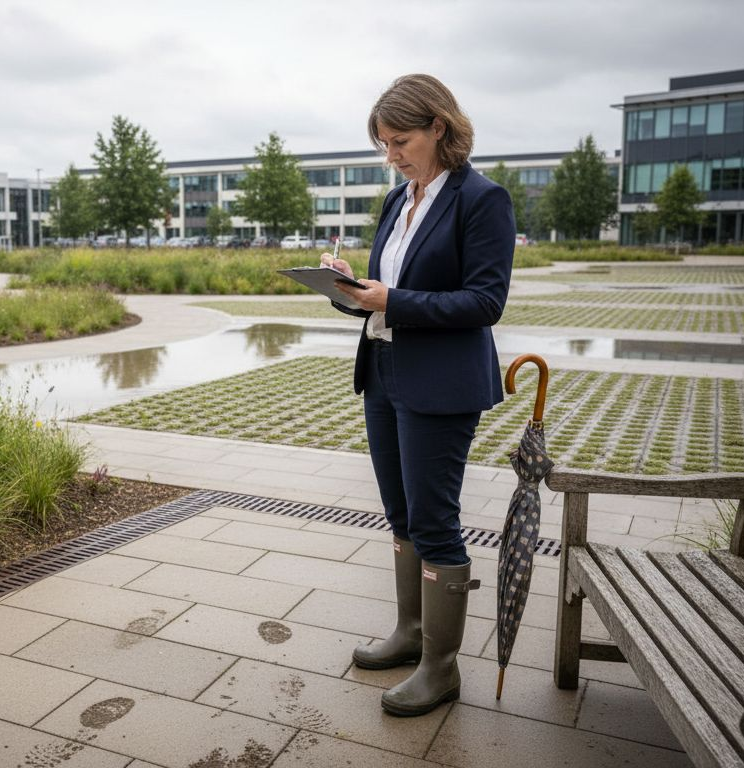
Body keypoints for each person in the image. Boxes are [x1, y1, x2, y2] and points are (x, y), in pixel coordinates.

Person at [322, 74, 514, 717]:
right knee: (400, 514)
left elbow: (484, 301)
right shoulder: (396, 199)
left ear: (439, 126)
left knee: (434, 521)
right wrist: (352, 290)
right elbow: (390, 290)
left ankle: (441, 666)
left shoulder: (482, 199)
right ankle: (410, 633)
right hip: (383, 368)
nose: (392, 155)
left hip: (441, 381)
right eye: (384, 144)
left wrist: (393, 299)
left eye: (401, 141)